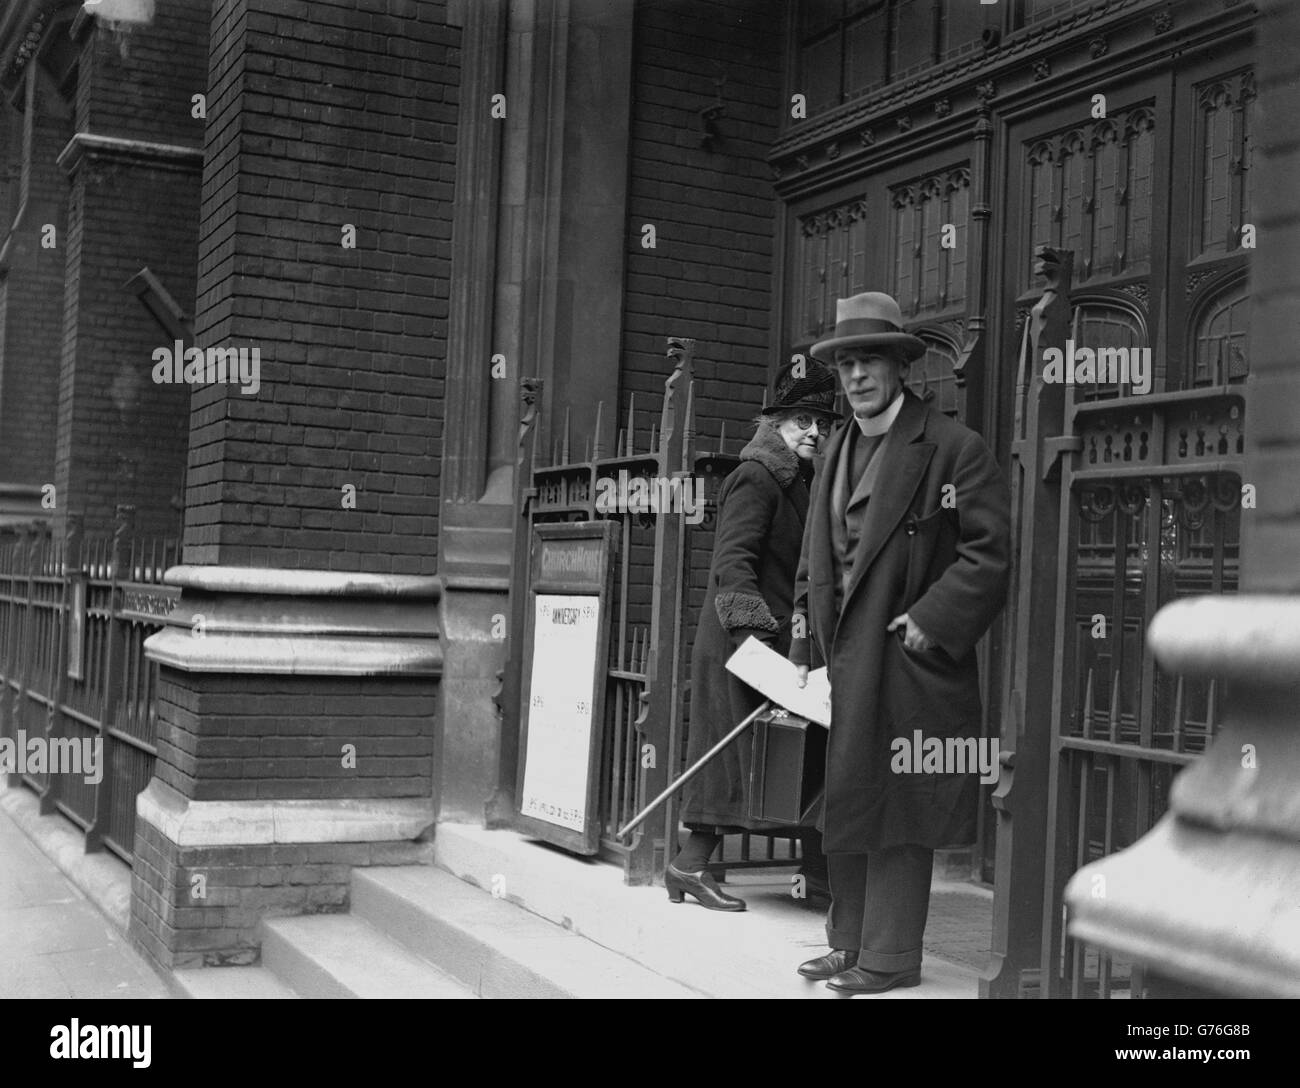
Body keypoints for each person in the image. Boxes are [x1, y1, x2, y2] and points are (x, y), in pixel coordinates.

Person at [790, 292, 1010, 992]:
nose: (856, 376)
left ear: (899, 368)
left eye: (870, 361)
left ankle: (889, 958)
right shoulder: (835, 451)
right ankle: (849, 941)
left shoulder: (951, 447)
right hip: (848, 661)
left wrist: (933, 620)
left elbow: (992, 551)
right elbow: (812, 559)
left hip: (913, 662)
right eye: (847, 363)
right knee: (851, 800)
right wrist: (803, 648)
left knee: (900, 807)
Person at [666, 360, 840, 911]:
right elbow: (732, 562)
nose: (814, 431)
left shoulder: (806, 482)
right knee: (731, 755)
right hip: (741, 642)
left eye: (821, 423)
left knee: (811, 749)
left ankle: (816, 875)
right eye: (802, 421)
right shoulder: (757, 476)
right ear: (776, 424)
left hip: (778, 645)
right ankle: (690, 867)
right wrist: (754, 642)